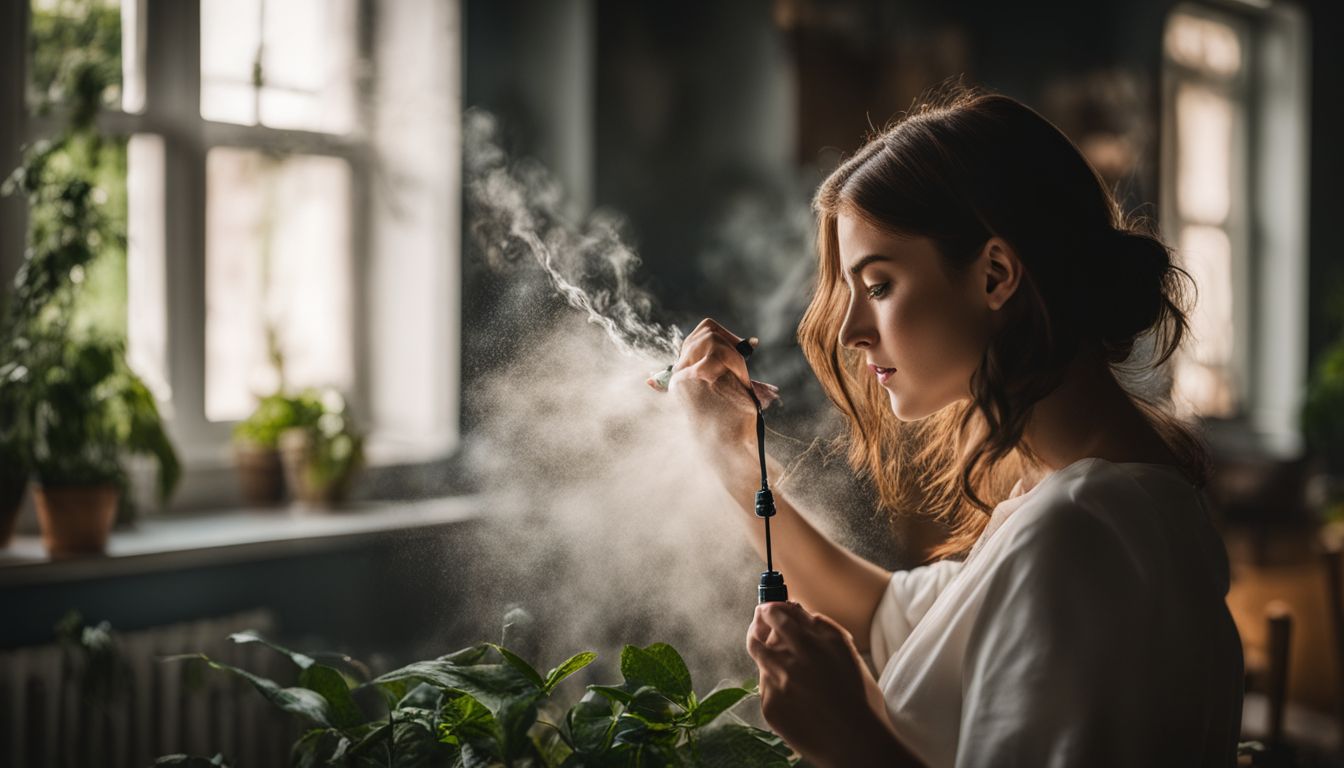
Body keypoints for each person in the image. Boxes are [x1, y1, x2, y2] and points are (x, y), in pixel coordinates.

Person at [667, 86, 1244, 767]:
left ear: (996, 274)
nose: (851, 330)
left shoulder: (1079, 531)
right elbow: (884, 614)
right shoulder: (1092, 503)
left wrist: (848, 736)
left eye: (878, 286)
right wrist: (734, 466)